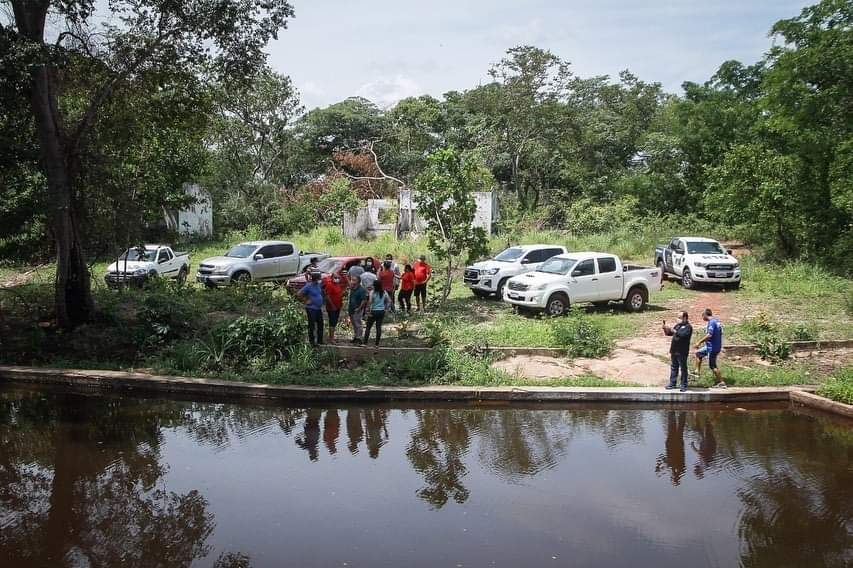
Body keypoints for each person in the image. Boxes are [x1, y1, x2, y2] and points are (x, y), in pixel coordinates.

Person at [695, 308, 726, 388]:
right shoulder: (716, 320)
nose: (702, 318)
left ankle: (721, 382)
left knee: (712, 366)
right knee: (698, 353)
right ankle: (697, 372)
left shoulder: (712, 322)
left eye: (702, 316)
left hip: (712, 347)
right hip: (712, 346)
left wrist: (699, 342)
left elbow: (709, 335)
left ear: (705, 315)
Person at [663, 311, 693, 392]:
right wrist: (665, 329)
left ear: (685, 318)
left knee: (683, 368)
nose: (678, 319)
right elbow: (669, 333)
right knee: (674, 367)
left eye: (679, 317)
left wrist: (674, 330)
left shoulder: (688, 327)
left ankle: (683, 385)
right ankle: (672, 383)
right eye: (678, 317)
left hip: (682, 351)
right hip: (674, 350)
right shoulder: (678, 325)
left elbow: (682, 335)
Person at [296, 271, 324, 346]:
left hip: (318, 308)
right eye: (319, 278)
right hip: (311, 308)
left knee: (320, 324)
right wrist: (305, 301)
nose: (320, 279)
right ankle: (312, 341)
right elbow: (299, 294)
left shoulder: (318, 285)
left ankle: (320, 340)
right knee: (312, 325)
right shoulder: (309, 286)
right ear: (316, 279)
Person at [362, 278, 391, 346]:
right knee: (378, 327)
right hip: (381, 311)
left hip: (374, 311)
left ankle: (365, 343)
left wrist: (367, 310)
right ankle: (377, 344)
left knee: (368, 327)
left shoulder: (372, 292)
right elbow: (389, 301)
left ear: (374, 286)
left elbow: (370, 302)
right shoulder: (384, 292)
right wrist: (386, 309)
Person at [323, 273, 344, 343]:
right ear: (332, 278)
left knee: (335, 321)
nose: (337, 279)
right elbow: (327, 296)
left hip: (338, 306)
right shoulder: (329, 285)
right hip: (332, 307)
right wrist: (332, 306)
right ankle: (331, 338)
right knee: (332, 322)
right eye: (335, 277)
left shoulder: (338, 285)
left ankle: (332, 337)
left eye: (338, 277)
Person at [347, 276, 367, 343]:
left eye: (354, 280)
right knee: (354, 324)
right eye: (352, 279)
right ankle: (356, 336)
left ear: (358, 281)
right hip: (351, 309)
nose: (352, 281)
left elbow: (364, 300)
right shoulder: (352, 289)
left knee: (358, 324)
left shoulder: (361, 290)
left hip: (357, 309)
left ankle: (359, 338)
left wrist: (359, 308)